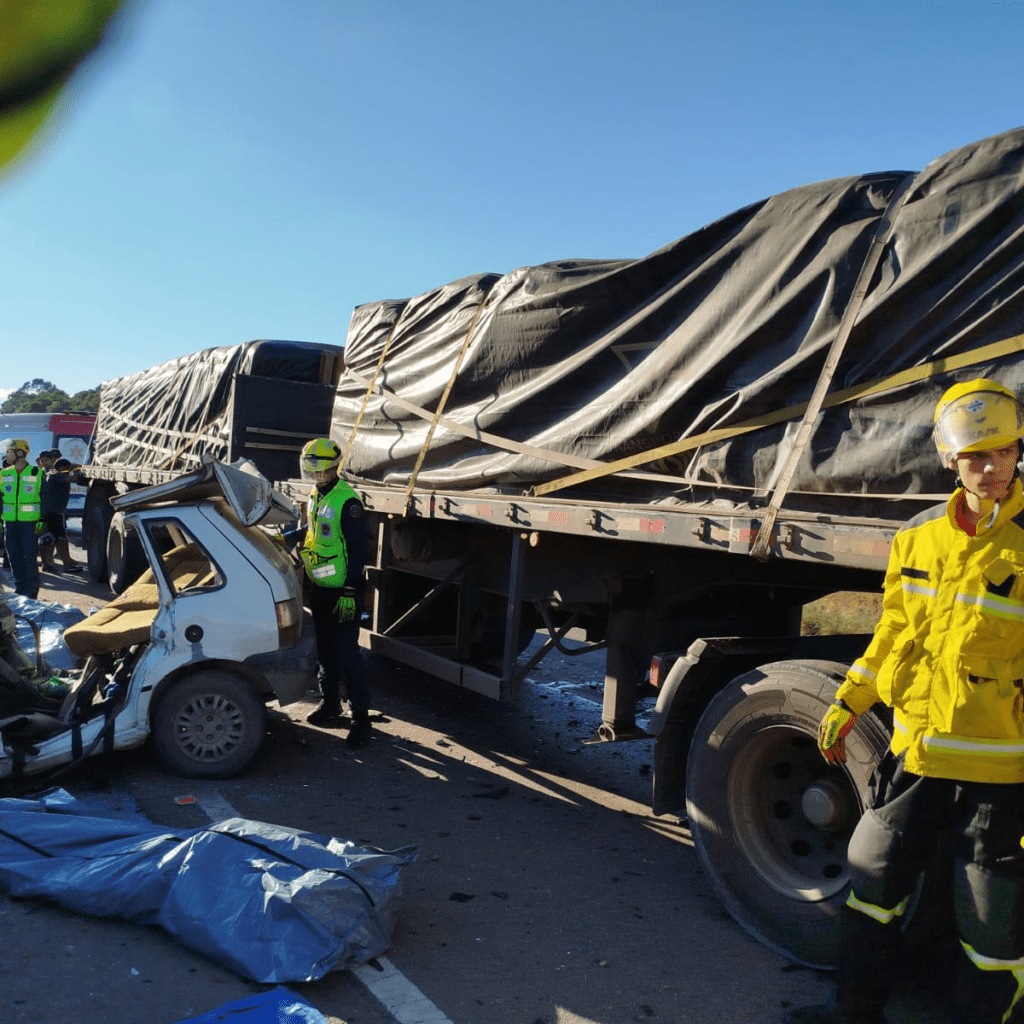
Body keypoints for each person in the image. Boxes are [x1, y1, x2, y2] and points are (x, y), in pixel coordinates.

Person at [785, 379, 1024, 1024]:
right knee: (871, 889)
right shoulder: (917, 541)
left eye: (1004, 452)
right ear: (951, 461)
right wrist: (850, 699)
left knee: (991, 928)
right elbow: (893, 635)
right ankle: (854, 1014)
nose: (993, 467)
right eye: (976, 456)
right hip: (913, 756)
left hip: (997, 776)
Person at [287, 437, 371, 748]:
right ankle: (331, 704)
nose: (316, 475)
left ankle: (361, 720)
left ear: (334, 468)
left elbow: (358, 551)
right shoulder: (316, 495)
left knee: (348, 655)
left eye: (321, 470)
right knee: (325, 651)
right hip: (320, 588)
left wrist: (351, 591)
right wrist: (289, 537)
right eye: (311, 470)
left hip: (343, 592)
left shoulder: (347, 502)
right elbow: (313, 532)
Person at [0, 439, 43, 599]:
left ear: (19, 453)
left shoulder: (37, 473)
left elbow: (44, 498)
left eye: (9, 452)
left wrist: (43, 521)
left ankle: (31, 592)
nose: (6, 455)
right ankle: (20, 589)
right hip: (10, 523)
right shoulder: (4, 474)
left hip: (30, 524)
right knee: (13, 557)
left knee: (29, 557)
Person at [38, 454, 82, 573]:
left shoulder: (50, 474)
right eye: (43, 461)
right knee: (60, 539)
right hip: (55, 512)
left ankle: (48, 563)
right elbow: (72, 478)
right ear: (63, 468)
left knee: (49, 538)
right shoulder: (57, 475)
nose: (44, 463)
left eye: (46, 460)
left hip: (49, 511)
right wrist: (75, 469)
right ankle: (66, 564)